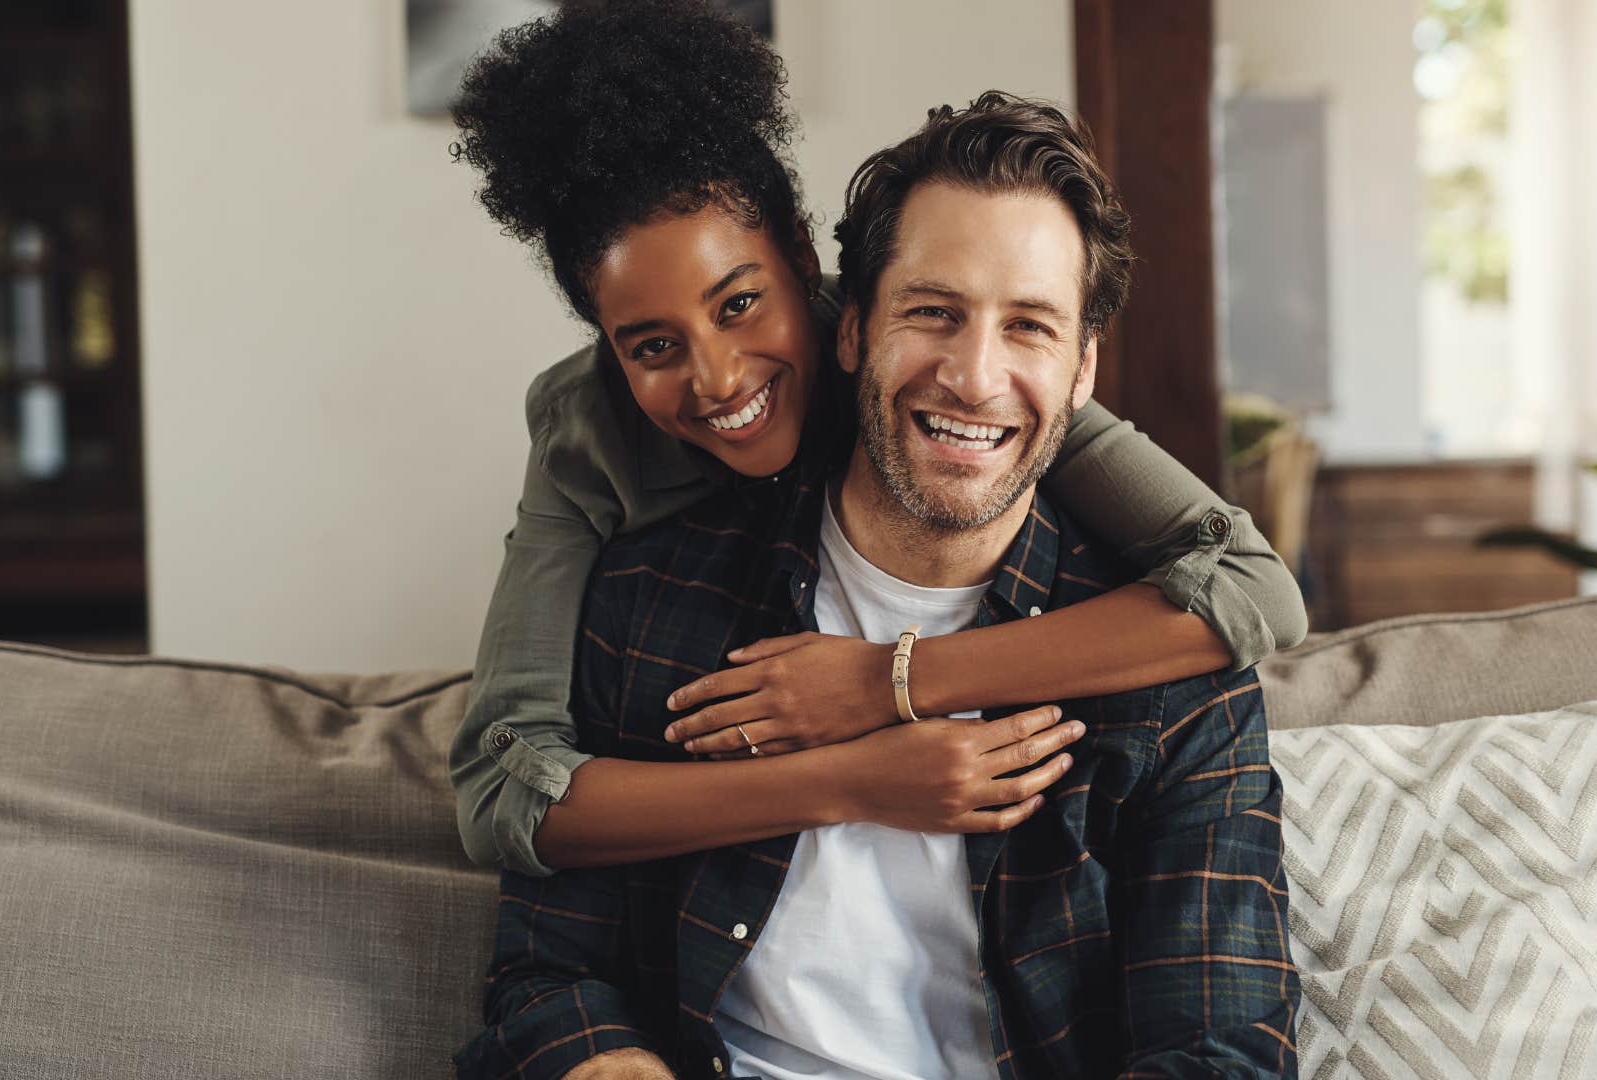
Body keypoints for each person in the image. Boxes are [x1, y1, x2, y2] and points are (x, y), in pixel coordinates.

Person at [455, 91, 1297, 1080]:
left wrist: (888, 681)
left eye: (1029, 326)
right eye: (933, 313)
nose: (974, 376)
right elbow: (544, 964)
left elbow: (1221, 1055)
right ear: (852, 329)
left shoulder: (1176, 673)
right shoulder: (646, 595)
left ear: (1083, 372)